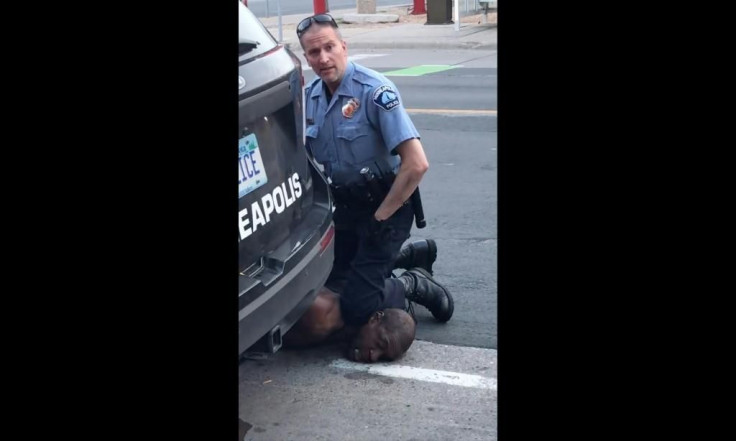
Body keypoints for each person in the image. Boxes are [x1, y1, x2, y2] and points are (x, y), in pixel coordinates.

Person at [290, 13, 454, 360]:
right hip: (345, 208)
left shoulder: (375, 92)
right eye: (313, 53)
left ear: (343, 47)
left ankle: (412, 283)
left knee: (355, 306)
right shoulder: (311, 99)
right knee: (327, 284)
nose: (322, 59)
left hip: (387, 207)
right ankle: (403, 255)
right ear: (306, 57)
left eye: (329, 48)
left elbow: (416, 164)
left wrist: (381, 218)